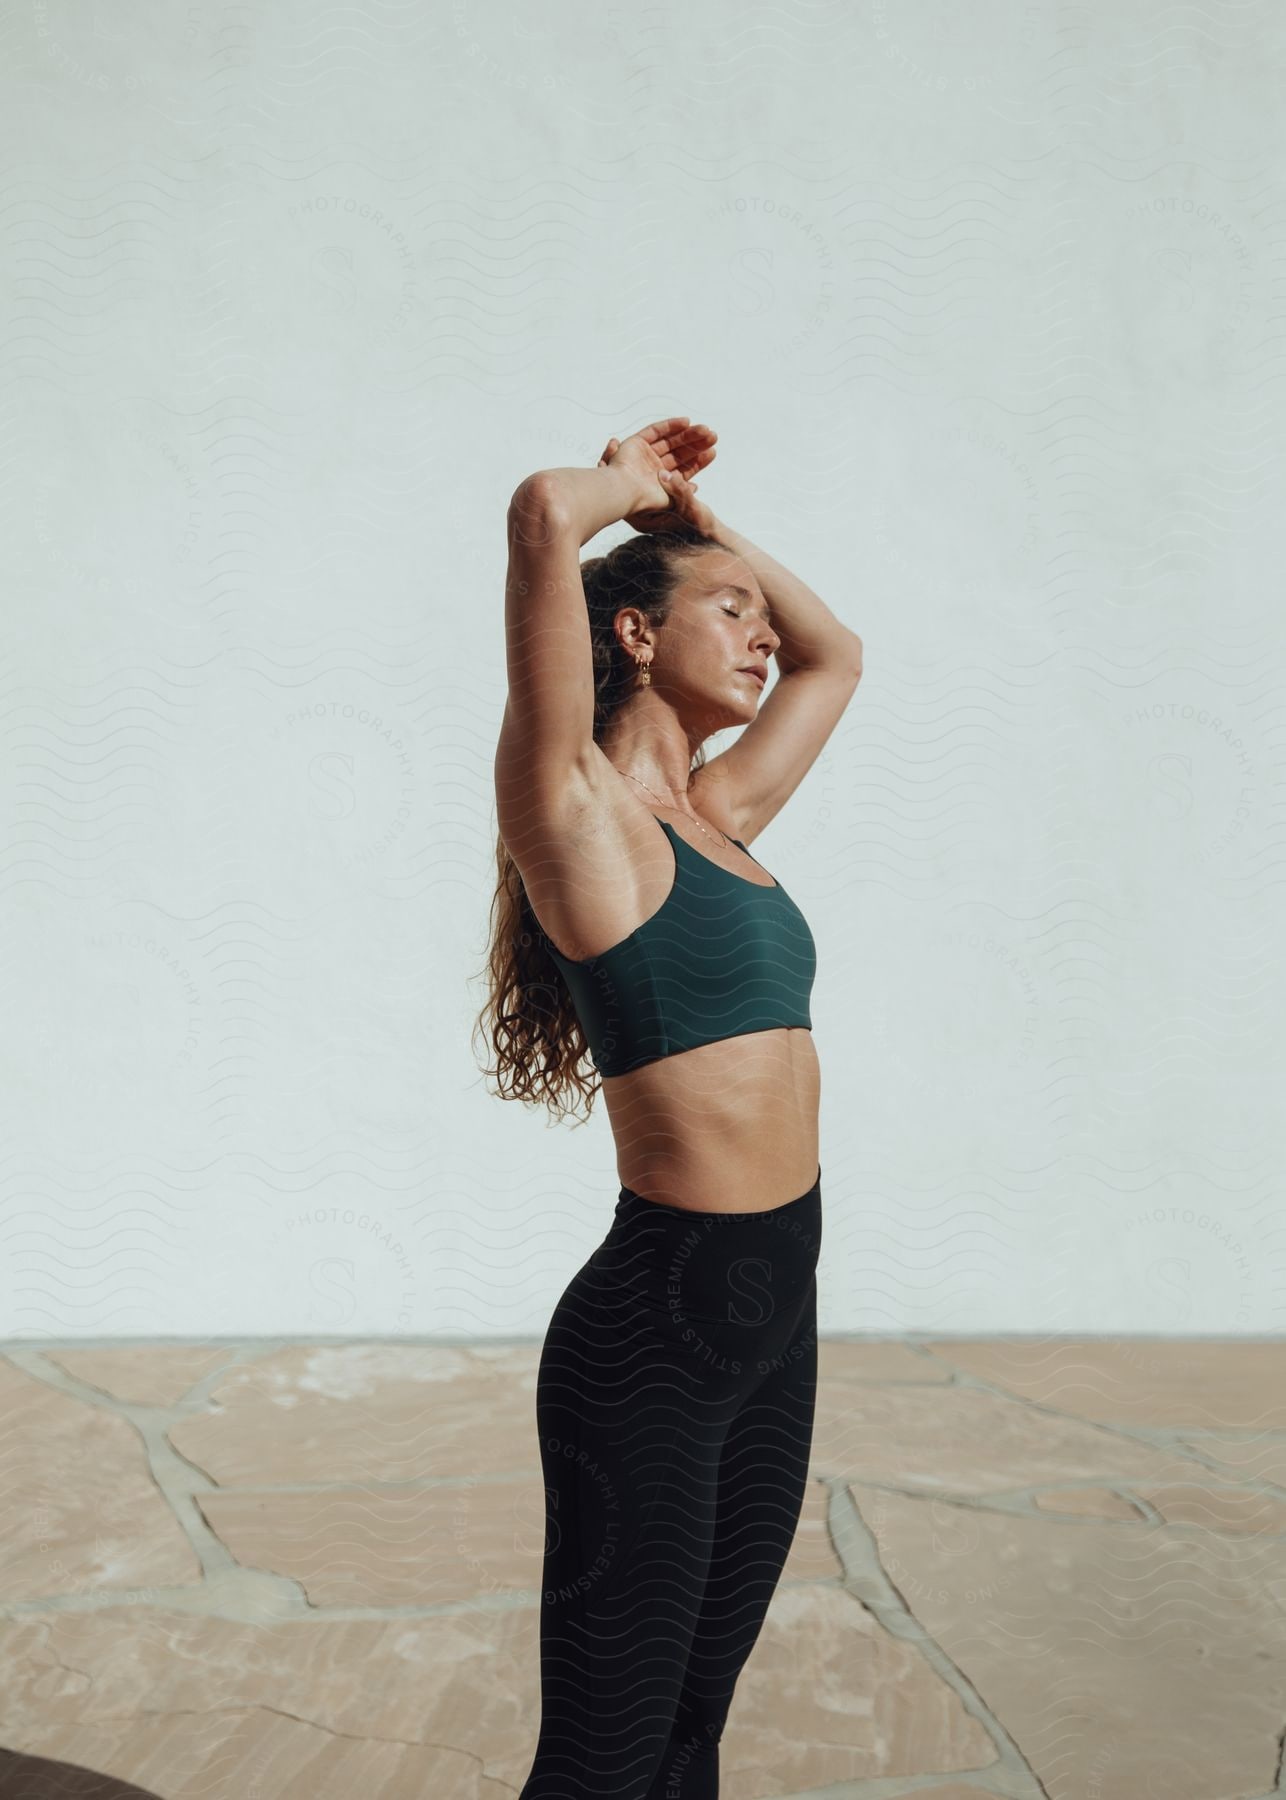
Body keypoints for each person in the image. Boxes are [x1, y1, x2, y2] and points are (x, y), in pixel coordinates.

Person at [475, 415, 864, 1799]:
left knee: (694, 1724)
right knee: (601, 1753)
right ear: (634, 639)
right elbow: (538, 512)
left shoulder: (721, 818)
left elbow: (839, 656)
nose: (763, 637)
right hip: (655, 1336)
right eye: (727, 615)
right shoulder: (575, 812)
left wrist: (696, 537)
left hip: (776, 1321)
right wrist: (632, 494)